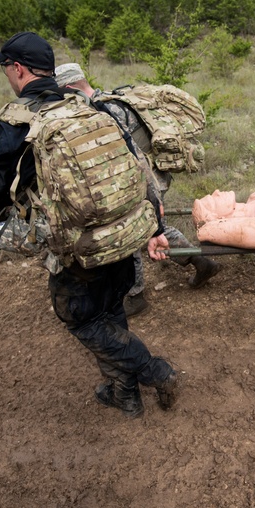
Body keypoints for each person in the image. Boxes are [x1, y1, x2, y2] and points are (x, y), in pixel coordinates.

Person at [0, 33, 180, 418]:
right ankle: (124, 393)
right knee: (110, 311)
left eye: (6, 67)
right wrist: (155, 228)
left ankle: (155, 371)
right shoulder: (92, 109)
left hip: (79, 251)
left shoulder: (16, 123)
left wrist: (7, 224)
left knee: (81, 318)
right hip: (122, 237)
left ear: (17, 70)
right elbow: (139, 170)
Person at [55, 63, 221, 317]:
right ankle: (200, 262)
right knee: (156, 226)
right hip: (152, 176)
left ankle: (135, 295)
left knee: (130, 234)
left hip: (142, 181)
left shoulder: (100, 112)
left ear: (68, 89)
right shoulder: (114, 99)